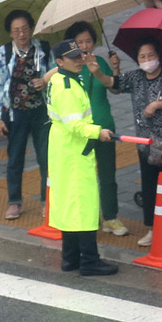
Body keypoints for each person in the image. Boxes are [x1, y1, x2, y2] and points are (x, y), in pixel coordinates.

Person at [101, 38, 162, 248]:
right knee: (149, 187)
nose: (147, 60)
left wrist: (158, 104)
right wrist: (106, 69)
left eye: (151, 55)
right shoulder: (136, 77)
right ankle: (152, 229)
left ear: (159, 55)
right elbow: (113, 85)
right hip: (145, 143)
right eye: (142, 56)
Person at [45, 40, 117, 276]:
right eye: (73, 57)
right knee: (84, 206)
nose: (79, 60)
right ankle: (89, 260)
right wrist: (99, 132)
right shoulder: (66, 86)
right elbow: (74, 124)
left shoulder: (61, 79)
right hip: (74, 151)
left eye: (79, 55)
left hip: (65, 150)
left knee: (69, 205)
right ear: (59, 61)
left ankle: (71, 258)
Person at [0, 10, 51, 221]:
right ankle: (14, 202)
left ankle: (47, 201)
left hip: (41, 110)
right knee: (15, 159)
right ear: (10, 33)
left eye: (25, 29)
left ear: (31, 29)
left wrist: (45, 81)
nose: (21, 34)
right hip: (16, 112)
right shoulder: (5, 52)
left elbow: (53, 73)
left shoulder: (43, 48)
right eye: (16, 30)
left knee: (45, 158)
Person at [71, 21, 128, 238]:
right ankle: (89, 216)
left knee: (107, 173)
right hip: (83, 129)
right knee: (84, 175)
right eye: (80, 42)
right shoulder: (71, 67)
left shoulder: (101, 62)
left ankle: (110, 217)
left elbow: (113, 89)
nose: (85, 45)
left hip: (105, 126)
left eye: (88, 41)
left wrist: (115, 69)